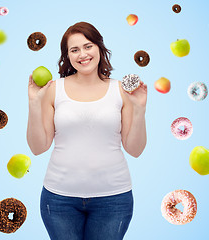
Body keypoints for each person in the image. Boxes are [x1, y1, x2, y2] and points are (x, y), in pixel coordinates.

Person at [27, 21, 147, 240]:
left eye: (88, 46)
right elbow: (38, 147)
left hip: (114, 199)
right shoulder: (53, 89)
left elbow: (135, 149)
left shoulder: (121, 90)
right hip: (58, 199)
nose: (82, 54)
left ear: (100, 48)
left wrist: (139, 110)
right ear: (67, 56)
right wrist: (35, 104)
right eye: (74, 50)